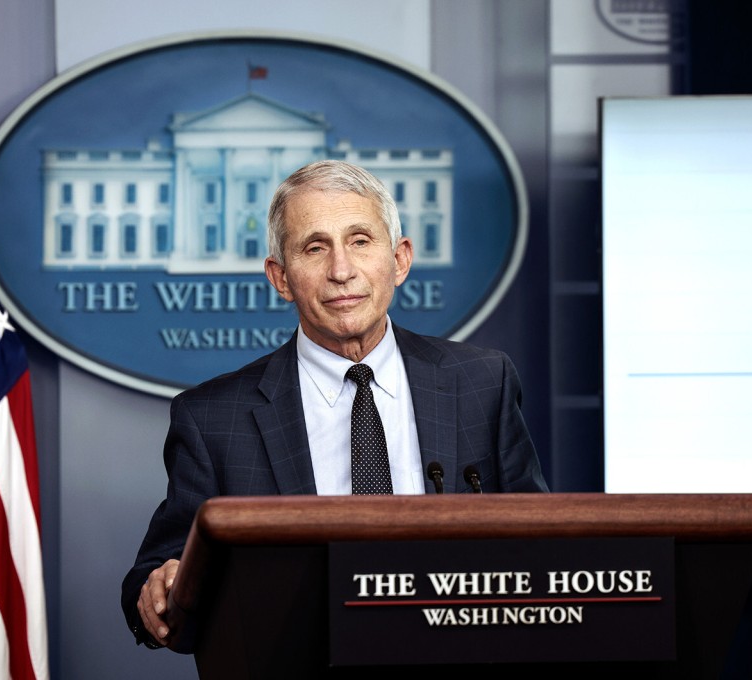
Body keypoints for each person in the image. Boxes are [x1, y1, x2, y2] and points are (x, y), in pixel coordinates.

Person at [122, 159, 547, 648]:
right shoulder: (213, 418)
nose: (341, 271)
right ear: (280, 277)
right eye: (315, 247)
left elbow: (539, 542)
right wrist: (157, 589)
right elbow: (156, 577)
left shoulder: (481, 382)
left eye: (360, 241)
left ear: (400, 259)